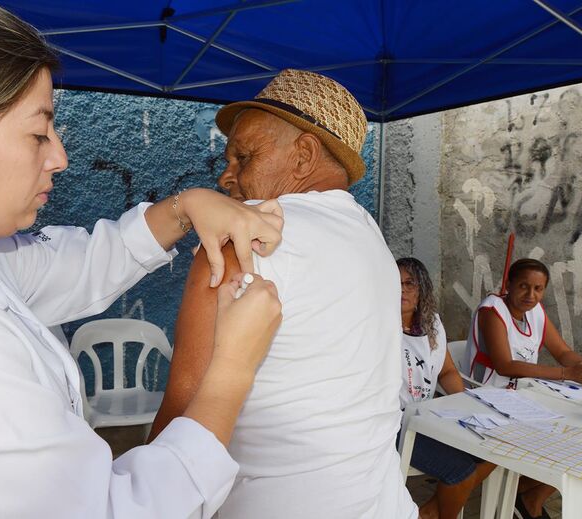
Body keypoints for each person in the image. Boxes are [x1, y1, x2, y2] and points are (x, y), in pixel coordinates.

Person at [0, 1, 286, 517]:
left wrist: (185, 207)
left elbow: (77, 264)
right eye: (38, 134)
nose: (59, 156)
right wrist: (231, 369)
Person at [149, 69, 417, 518]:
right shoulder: (371, 237)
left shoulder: (244, 233)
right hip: (381, 501)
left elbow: (185, 407)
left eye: (243, 157)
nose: (225, 177)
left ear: (303, 156)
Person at [465, 257, 582, 519]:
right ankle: (521, 495)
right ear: (508, 284)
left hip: (524, 397)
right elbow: (505, 366)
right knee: (561, 438)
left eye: (538, 289)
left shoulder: (535, 312)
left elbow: (562, 351)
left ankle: (525, 495)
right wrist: (567, 373)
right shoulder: (492, 311)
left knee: (580, 439)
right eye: (523, 286)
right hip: (486, 396)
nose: (531, 295)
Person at [397, 257, 495, 519]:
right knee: (460, 472)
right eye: (395, 283)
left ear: (422, 290)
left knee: (493, 451)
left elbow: (448, 371)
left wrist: (464, 403)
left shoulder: (432, 325)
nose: (402, 289)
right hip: (396, 425)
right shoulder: (379, 327)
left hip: (430, 417)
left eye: (410, 283)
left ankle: (430, 511)